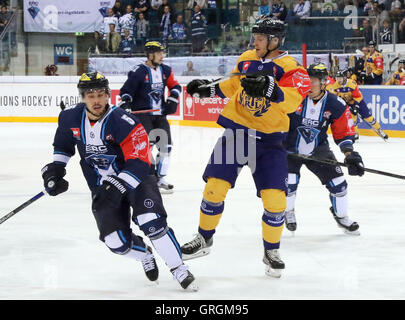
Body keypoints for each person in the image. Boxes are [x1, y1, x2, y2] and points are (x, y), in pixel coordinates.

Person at [40, 71, 197, 291]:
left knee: (150, 220)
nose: (96, 100)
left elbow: (141, 161)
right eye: (90, 95)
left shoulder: (124, 121)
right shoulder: (69, 118)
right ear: (82, 97)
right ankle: (144, 254)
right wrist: (55, 169)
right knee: (115, 242)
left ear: (108, 95)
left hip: (137, 180)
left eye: (100, 94)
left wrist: (119, 184)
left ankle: (179, 268)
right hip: (101, 186)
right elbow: (63, 146)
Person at [180, 18, 311, 278]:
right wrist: (207, 89)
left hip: (270, 142)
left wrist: (273, 90)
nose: (256, 42)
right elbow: (232, 86)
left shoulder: (292, 67)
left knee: (276, 201)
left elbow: (295, 100)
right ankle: (204, 239)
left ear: (275, 41)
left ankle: (271, 250)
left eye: (261, 38)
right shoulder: (247, 58)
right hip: (238, 133)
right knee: (215, 187)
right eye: (256, 37)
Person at [284, 63, 364, 236]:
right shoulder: (293, 97)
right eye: (306, 81)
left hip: (318, 149)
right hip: (289, 150)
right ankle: (288, 212)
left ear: (323, 82)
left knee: (339, 184)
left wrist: (350, 154)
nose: (308, 86)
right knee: (289, 183)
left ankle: (341, 216)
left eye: (313, 81)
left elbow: (344, 131)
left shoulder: (335, 104)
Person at [119, 42, 181, 193]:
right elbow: (126, 91)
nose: (162, 56)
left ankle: (160, 178)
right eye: (159, 53)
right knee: (146, 147)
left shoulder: (166, 70)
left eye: (162, 53)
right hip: (142, 115)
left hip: (160, 115)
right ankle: (146, 177)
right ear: (150, 55)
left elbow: (176, 86)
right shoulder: (138, 71)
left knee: (166, 147)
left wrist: (173, 98)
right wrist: (126, 101)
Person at [327, 69, 389, 140]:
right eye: (337, 78)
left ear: (344, 77)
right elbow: (335, 97)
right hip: (348, 103)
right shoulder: (336, 85)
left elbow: (357, 97)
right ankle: (355, 133)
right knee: (352, 118)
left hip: (358, 102)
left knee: (368, 118)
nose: (338, 80)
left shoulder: (352, 84)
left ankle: (379, 129)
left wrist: (355, 106)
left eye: (340, 78)